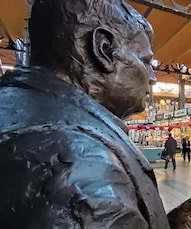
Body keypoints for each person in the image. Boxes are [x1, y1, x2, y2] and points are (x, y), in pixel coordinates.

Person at [0, 0, 168, 227]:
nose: (152, 77)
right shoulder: (83, 167)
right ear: (104, 49)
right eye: (146, 61)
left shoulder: (17, 108)